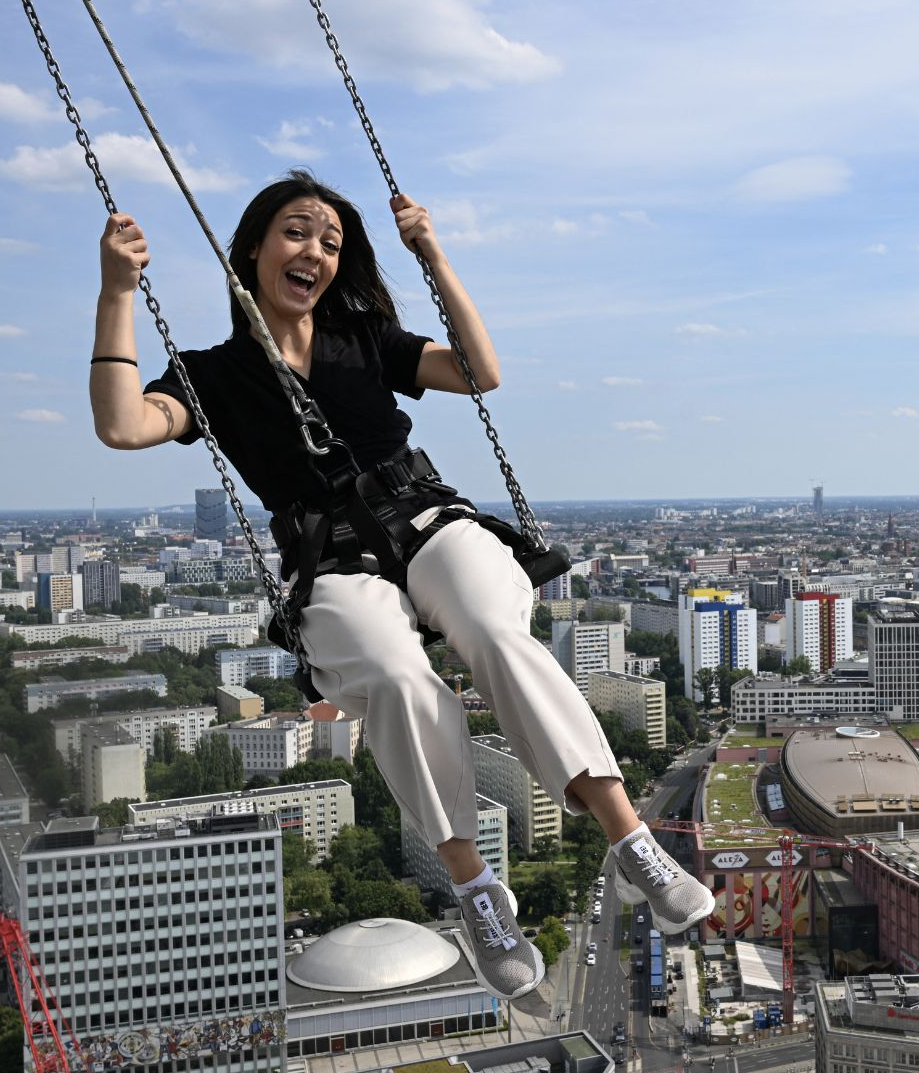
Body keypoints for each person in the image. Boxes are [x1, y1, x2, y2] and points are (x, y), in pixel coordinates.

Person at [87, 169, 711, 1000]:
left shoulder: (365, 340)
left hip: (422, 517)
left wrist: (433, 254)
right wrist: (117, 292)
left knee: (493, 634)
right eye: (297, 232)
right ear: (253, 250)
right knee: (391, 676)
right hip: (331, 555)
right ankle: (477, 890)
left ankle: (629, 840)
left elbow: (479, 372)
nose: (315, 251)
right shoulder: (213, 375)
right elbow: (123, 424)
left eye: (332, 242)